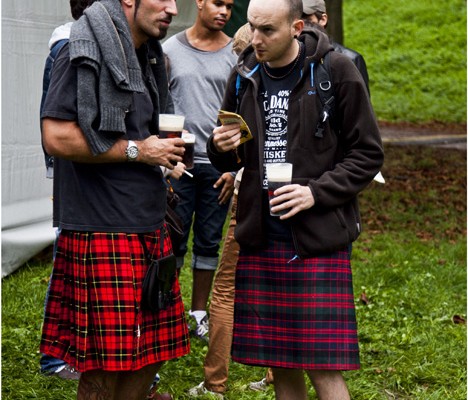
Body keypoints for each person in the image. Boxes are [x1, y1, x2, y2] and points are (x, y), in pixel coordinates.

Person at [207, 0, 384, 399]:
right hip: (262, 233)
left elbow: (368, 154)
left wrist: (314, 193)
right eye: (252, 27)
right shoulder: (244, 72)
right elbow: (227, 152)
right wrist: (218, 145)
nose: (256, 38)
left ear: (297, 27)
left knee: (323, 368)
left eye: (267, 30)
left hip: (315, 235)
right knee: (282, 365)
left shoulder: (336, 70)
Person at [39, 0, 190, 399]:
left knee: (157, 348)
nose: (173, 8)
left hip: (147, 221)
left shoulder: (148, 57)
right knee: (104, 365)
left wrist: (165, 157)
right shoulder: (80, 49)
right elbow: (56, 136)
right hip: (100, 227)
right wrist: (140, 151)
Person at [162, 0, 236, 342]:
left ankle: (199, 315)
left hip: (219, 165)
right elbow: (159, 104)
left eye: (229, 6)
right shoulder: (169, 50)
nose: (223, 11)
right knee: (173, 239)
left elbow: (244, 114)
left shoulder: (236, 53)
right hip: (179, 162)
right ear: (200, 3)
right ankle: (168, 314)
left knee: (209, 241)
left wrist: (237, 168)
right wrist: (164, 156)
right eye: (218, 3)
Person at [187, 23, 250, 399]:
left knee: (225, 291)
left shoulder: (246, 84)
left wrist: (236, 171)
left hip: (254, 201)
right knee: (274, 285)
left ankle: (215, 384)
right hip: (285, 196)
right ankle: (278, 376)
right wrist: (234, 169)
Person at [39, 0, 95, 381]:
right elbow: (56, 127)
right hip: (77, 181)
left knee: (70, 269)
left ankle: (67, 355)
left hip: (87, 180)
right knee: (67, 270)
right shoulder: (69, 46)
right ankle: (56, 358)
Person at [302, 0, 370, 93]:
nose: (300, 26)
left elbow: (359, 105)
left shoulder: (351, 59)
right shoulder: (285, 58)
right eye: (296, 20)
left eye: (307, 20)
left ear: (323, 19)